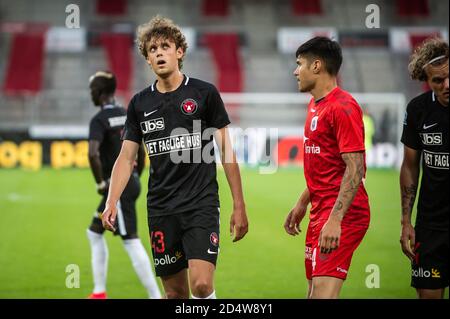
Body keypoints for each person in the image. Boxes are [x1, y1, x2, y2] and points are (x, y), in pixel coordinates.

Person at [101, 16, 248, 299]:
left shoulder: (205, 93)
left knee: (202, 285)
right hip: (161, 207)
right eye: (152, 49)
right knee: (175, 295)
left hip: (201, 204)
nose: (158, 53)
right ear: (147, 59)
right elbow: (126, 157)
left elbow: (227, 152)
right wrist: (111, 200)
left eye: (165, 46)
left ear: (179, 52)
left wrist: (239, 205)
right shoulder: (139, 103)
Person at [284, 37, 370, 299]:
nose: (295, 71)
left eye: (300, 64)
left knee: (322, 295)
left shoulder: (343, 107)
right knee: (313, 292)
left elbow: (356, 168)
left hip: (344, 214)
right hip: (320, 209)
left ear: (317, 65)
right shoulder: (315, 104)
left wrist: (335, 221)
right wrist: (302, 202)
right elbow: (326, 167)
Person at [86, 71, 161, 299]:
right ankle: (99, 292)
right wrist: (136, 175)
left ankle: (156, 296)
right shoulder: (126, 113)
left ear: (98, 93)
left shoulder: (99, 120)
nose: (91, 94)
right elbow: (140, 149)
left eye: (91, 90)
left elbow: (92, 153)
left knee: (131, 240)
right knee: (94, 232)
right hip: (130, 182)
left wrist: (101, 182)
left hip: (119, 187)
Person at [400, 38, 449, 299]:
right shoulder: (418, 109)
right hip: (430, 228)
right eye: (438, 81)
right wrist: (406, 221)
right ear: (427, 81)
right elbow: (409, 166)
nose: (447, 85)